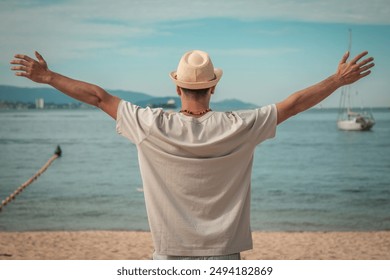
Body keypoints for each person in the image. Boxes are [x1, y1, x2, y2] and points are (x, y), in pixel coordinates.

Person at [10, 49, 374, 260]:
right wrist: (337, 80)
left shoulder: (150, 125)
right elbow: (293, 105)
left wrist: (48, 77)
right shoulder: (240, 125)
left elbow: (98, 96)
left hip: (169, 254)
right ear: (214, 85)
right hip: (225, 254)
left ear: (176, 85)